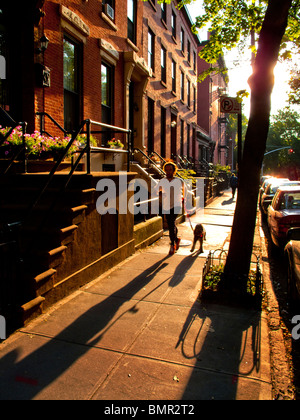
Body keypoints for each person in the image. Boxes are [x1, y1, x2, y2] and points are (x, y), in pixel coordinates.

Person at [158, 161, 186, 256]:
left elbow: (185, 190)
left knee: (170, 224)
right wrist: (160, 193)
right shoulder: (162, 181)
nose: (168, 171)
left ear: (174, 171)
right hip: (166, 205)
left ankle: (172, 245)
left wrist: (184, 198)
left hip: (177, 205)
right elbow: (157, 190)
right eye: (166, 170)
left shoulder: (179, 181)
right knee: (172, 224)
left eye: (170, 170)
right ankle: (176, 239)